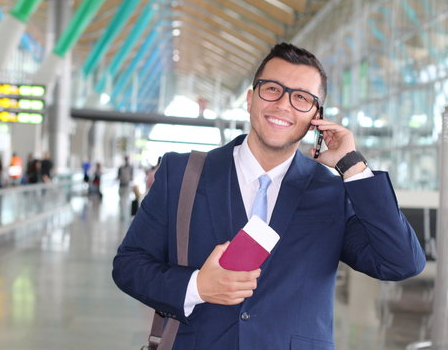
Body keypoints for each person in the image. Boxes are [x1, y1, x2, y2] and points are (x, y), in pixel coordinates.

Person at [112, 43, 426, 349]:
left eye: (301, 98)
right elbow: (129, 266)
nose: (284, 105)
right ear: (250, 99)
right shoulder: (183, 174)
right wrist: (197, 287)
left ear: (316, 117)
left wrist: (353, 167)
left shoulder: (330, 191)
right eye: (272, 89)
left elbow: (400, 263)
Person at [116, 155, 133, 220]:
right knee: (124, 200)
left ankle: (123, 214)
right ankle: (124, 213)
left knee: (122, 200)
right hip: (126, 185)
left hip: (122, 185)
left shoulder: (121, 168)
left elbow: (118, 177)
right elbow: (132, 178)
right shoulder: (130, 168)